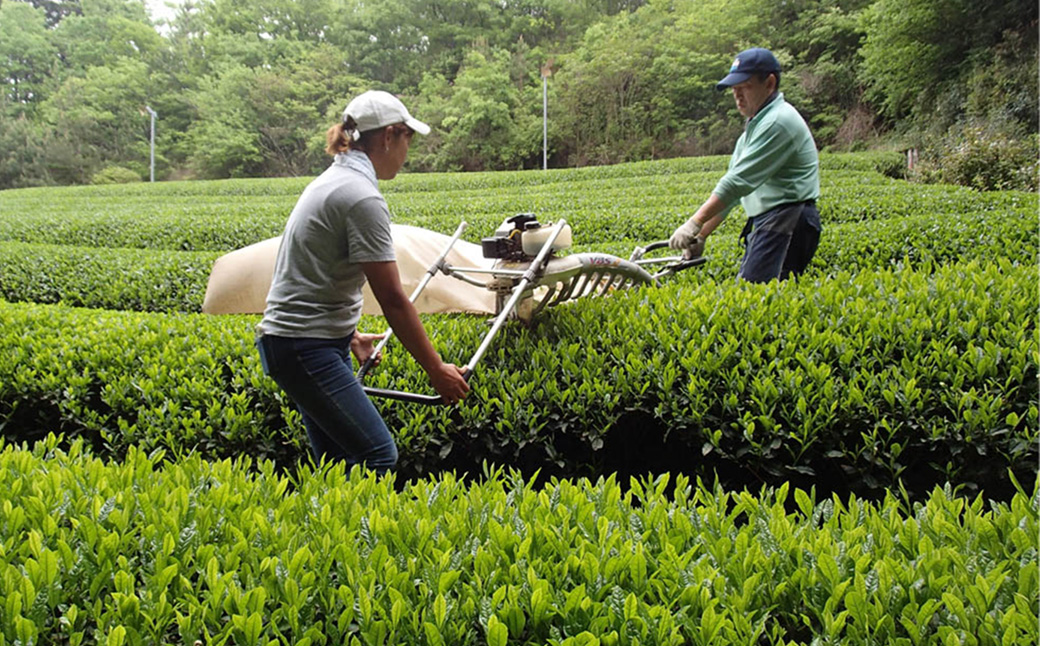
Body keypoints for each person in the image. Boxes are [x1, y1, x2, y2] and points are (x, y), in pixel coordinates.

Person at [255, 90, 470, 474]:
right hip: (304, 347)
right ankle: (363, 532)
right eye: (408, 138)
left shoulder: (335, 181)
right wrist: (436, 370)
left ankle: (331, 532)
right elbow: (392, 298)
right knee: (377, 455)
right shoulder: (360, 197)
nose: (408, 151)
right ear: (389, 136)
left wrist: (350, 336)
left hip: (301, 343)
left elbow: (314, 270)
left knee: (336, 464)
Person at [669, 47, 821, 282]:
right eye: (734, 90)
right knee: (757, 296)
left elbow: (735, 184)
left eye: (745, 87)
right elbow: (732, 195)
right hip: (771, 219)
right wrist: (700, 235)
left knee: (756, 295)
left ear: (769, 83)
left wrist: (694, 223)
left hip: (787, 219)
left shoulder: (777, 122)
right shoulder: (755, 127)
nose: (737, 96)